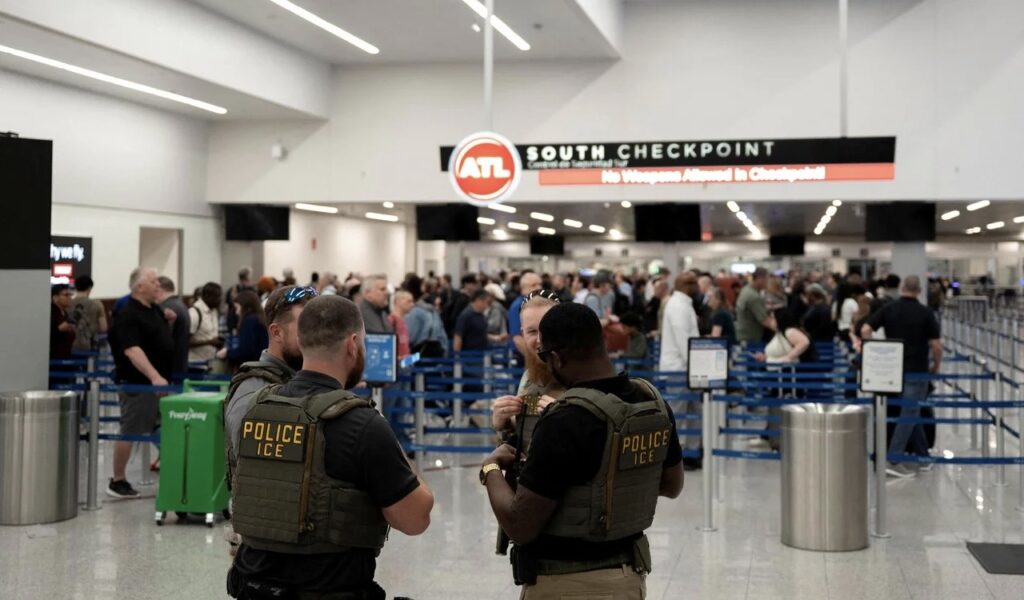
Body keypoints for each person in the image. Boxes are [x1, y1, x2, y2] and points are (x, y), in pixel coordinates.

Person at [227, 295, 434, 599]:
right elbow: (416, 519)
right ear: (352, 344)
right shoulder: (361, 424)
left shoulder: (255, 407)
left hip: (254, 587)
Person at [481, 302, 683, 598]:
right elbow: (672, 485)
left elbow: (520, 526)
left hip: (566, 583)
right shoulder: (649, 400)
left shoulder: (565, 420)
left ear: (556, 358)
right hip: (629, 579)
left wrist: (491, 469)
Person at [861, 275, 942, 478]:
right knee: (910, 411)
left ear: (902, 288)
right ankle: (894, 458)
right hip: (917, 368)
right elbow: (936, 345)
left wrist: (875, 352)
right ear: (919, 291)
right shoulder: (925, 313)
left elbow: (865, 329)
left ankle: (923, 457)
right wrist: (936, 365)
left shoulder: (889, 308)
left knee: (910, 411)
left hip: (893, 369)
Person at [107, 267, 174, 499]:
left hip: (159, 386)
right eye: (154, 281)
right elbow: (133, 350)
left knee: (159, 427)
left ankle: (173, 469)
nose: (158, 285)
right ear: (139, 287)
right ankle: (117, 479)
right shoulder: (128, 315)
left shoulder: (154, 309)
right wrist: (154, 376)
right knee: (131, 431)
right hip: (139, 385)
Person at [492, 290, 563, 447]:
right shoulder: (528, 377)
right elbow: (521, 438)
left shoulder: (581, 376)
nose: (539, 340)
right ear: (522, 334)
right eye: (532, 331)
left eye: (547, 329)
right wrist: (503, 423)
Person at [659, 272, 702, 469]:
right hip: (680, 369)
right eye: (695, 284)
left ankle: (692, 453)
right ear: (688, 285)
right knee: (677, 414)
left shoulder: (684, 304)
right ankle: (673, 459)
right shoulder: (677, 306)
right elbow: (683, 340)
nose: (699, 288)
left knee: (694, 411)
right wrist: (696, 369)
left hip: (687, 368)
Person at [217, 290, 269, 369]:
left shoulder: (250, 321)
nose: (236, 312)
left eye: (237, 308)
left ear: (246, 307)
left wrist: (227, 353)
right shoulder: (260, 319)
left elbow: (247, 350)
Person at [156, 276, 191, 378]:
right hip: (180, 363)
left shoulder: (166, 308)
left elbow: (163, 339)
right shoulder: (181, 305)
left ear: (160, 290)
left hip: (169, 366)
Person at [509, 271, 543, 363]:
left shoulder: (537, 303)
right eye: (534, 285)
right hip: (524, 357)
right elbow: (517, 338)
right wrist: (536, 359)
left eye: (540, 284)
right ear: (523, 288)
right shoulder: (518, 306)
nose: (539, 287)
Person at [406, 287, 449, 358]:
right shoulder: (435, 313)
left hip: (420, 354)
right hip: (437, 353)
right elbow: (443, 336)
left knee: (404, 364)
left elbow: (411, 336)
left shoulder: (415, 311)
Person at [735, 267, 775, 343]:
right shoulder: (754, 296)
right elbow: (765, 321)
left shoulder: (746, 289)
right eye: (766, 280)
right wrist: (783, 329)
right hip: (752, 339)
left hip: (743, 335)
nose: (767, 283)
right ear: (760, 279)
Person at [70, 275, 107, 353]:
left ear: (76, 287)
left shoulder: (68, 304)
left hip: (69, 346)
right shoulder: (97, 304)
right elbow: (103, 327)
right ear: (90, 288)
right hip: (90, 345)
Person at [188, 282, 223, 366]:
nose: (220, 299)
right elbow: (185, 342)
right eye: (218, 296)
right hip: (195, 363)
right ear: (207, 296)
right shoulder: (194, 313)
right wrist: (209, 342)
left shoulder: (214, 311)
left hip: (210, 362)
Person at [50, 284, 76, 360]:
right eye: (66, 295)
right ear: (55, 297)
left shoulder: (65, 313)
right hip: (54, 359)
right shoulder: (52, 312)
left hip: (65, 356)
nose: (69, 298)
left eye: (70, 295)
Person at [226, 267, 255, 333]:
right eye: (250, 277)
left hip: (244, 321)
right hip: (236, 321)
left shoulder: (251, 290)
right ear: (247, 278)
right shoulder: (234, 290)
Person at [389, 289, 414, 358]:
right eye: (409, 301)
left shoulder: (405, 321)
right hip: (396, 365)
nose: (412, 304)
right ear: (397, 302)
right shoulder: (391, 321)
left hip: (405, 365)